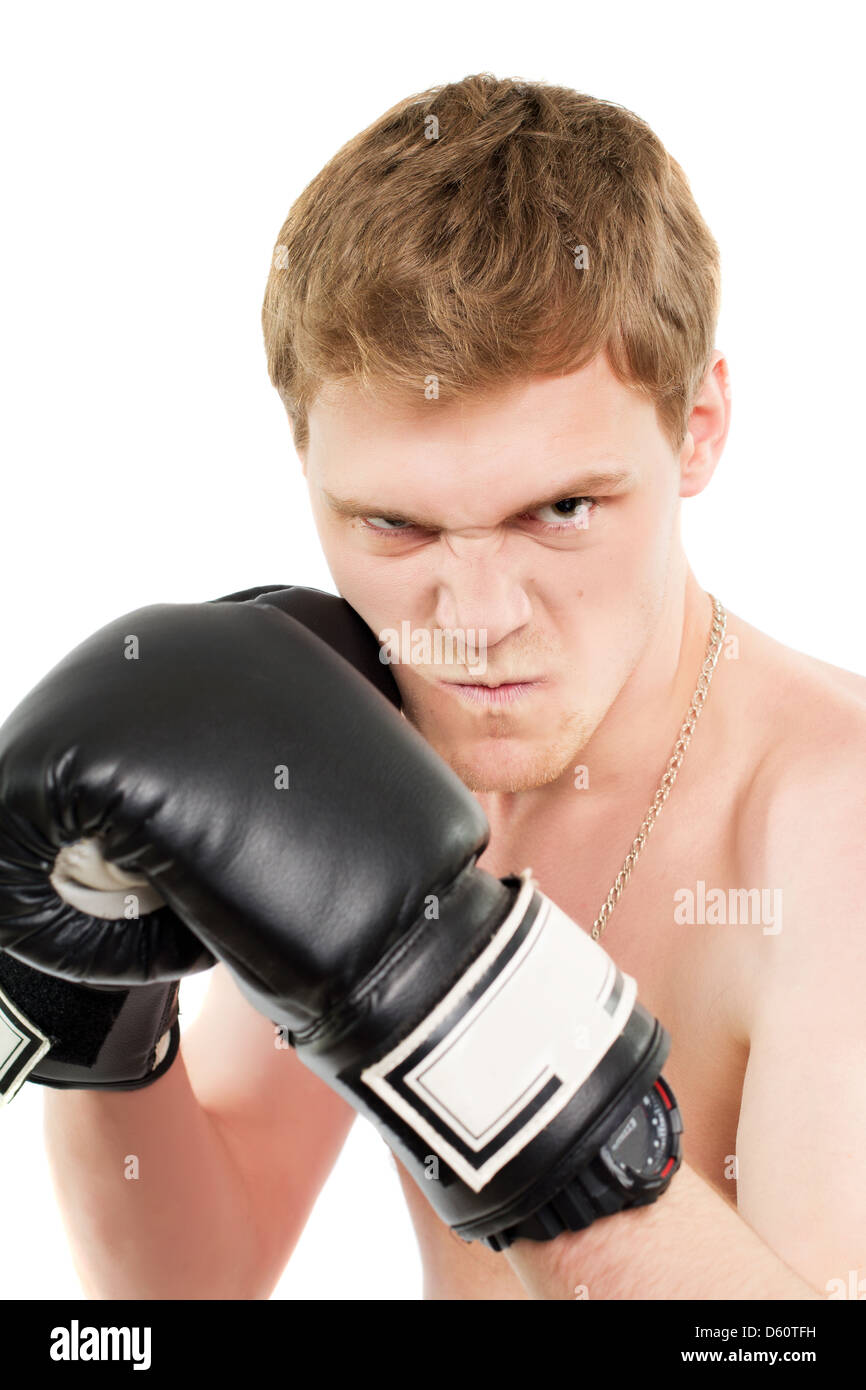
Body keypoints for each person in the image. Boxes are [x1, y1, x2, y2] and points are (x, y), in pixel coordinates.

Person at [29, 73, 866, 1300]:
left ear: (696, 427)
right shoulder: (379, 749)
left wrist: (481, 1051)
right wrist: (91, 991)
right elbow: (189, 1287)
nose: (472, 626)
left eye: (560, 510)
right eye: (395, 526)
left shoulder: (828, 831)